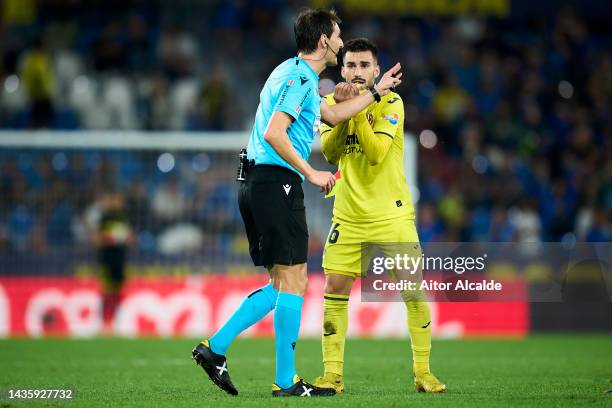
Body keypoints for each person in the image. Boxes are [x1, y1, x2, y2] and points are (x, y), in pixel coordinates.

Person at [191, 8, 402, 397]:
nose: (341, 42)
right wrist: (312, 172)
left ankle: (215, 348)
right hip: (275, 182)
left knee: (286, 282)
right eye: (338, 36)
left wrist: (376, 91)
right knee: (294, 280)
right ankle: (282, 379)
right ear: (324, 40)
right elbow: (275, 133)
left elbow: (334, 114)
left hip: (256, 182)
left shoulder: (288, 72)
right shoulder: (300, 78)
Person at [311, 38, 446, 393]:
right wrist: (343, 113)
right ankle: (333, 375)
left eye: (363, 66)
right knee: (335, 288)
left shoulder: (392, 102)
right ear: (342, 70)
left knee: (412, 291)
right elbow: (330, 153)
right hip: (349, 216)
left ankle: (423, 372)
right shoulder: (328, 104)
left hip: (392, 217)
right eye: (350, 66)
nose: (356, 72)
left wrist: (353, 112)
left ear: (375, 70)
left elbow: (375, 152)